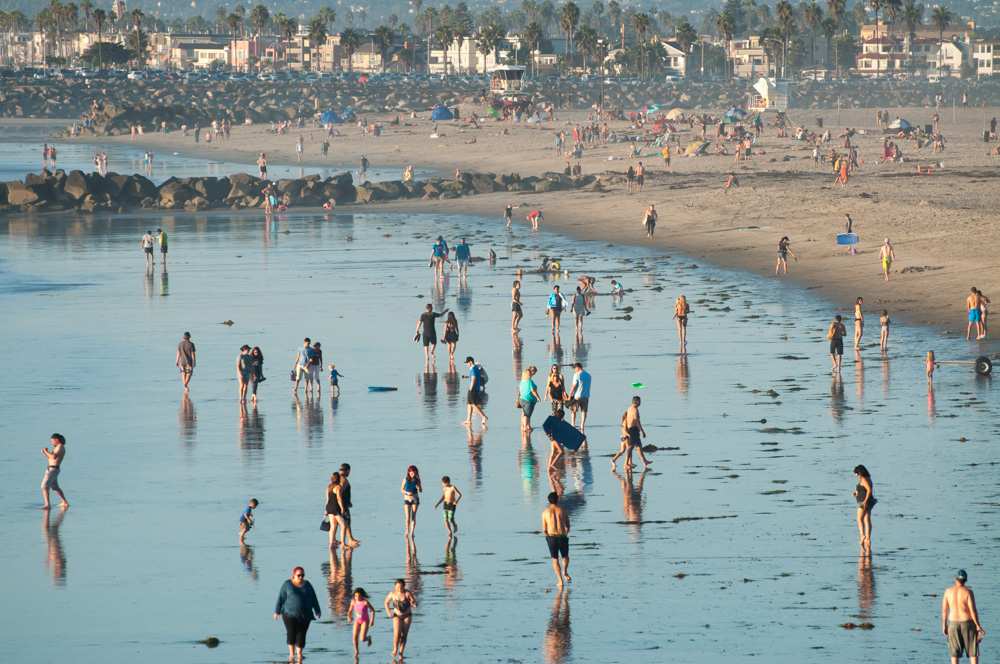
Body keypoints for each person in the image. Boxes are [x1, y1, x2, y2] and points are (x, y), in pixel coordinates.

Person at [273, 566, 321, 663]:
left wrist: (317, 610)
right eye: (299, 575)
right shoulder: (287, 585)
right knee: (291, 632)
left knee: (301, 634)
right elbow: (281, 598)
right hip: (289, 614)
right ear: (293, 576)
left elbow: (313, 598)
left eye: (302, 575)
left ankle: (299, 654)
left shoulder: (307, 585)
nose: (301, 577)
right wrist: (277, 611)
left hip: (305, 615)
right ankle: (291, 654)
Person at [942, 570, 986, 663]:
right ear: (965, 580)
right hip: (967, 623)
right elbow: (973, 611)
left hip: (953, 624)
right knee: (973, 653)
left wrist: (944, 625)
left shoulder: (948, 591)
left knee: (954, 654)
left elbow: (944, 611)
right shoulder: (968, 592)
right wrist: (978, 626)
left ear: (955, 579)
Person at [541, 491, 571, 587]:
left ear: (549, 501)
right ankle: (565, 572)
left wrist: (547, 536)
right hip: (562, 536)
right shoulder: (562, 510)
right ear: (557, 500)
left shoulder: (545, 512)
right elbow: (568, 526)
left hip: (551, 537)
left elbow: (544, 529)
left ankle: (560, 580)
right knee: (565, 556)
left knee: (555, 559)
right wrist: (565, 532)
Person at [384, 579, 417, 660]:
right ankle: (395, 648)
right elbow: (386, 602)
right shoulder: (392, 594)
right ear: (395, 586)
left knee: (404, 635)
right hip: (397, 616)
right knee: (397, 634)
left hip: (407, 616)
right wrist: (388, 612)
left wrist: (413, 603)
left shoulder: (407, 593)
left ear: (404, 586)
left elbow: (413, 601)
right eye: (397, 587)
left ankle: (401, 652)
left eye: (401, 587)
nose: (399, 588)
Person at [40, 433, 69, 509]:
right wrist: (44, 452)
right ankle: (64, 502)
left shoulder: (60, 447)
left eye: (52, 441)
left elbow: (53, 457)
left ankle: (47, 505)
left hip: (53, 470)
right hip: (52, 469)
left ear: (57, 440)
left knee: (44, 486)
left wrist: (46, 451)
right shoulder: (57, 447)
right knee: (55, 487)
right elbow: (50, 458)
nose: (51, 442)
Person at [624, 396, 652, 470]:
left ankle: (644, 461)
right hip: (633, 430)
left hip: (632, 429)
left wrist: (625, 430)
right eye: (640, 401)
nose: (640, 403)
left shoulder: (629, 408)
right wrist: (643, 431)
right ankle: (626, 463)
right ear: (636, 402)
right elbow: (637, 422)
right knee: (630, 447)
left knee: (639, 446)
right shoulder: (635, 410)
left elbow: (626, 420)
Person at [852, 465, 876, 552]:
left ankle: (862, 535)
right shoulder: (867, 478)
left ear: (860, 472)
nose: (856, 475)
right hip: (868, 500)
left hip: (864, 501)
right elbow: (864, 489)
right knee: (866, 519)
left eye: (856, 473)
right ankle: (867, 538)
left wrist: (865, 501)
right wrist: (856, 492)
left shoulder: (864, 479)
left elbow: (869, 490)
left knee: (859, 519)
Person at [348, 588, 375, 657]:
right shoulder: (353, 602)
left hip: (365, 621)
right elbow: (350, 611)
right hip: (357, 620)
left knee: (362, 639)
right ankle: (356, 651)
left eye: (359, 595)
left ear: (362, 595)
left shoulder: (365, 602)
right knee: (354, 637)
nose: (357, 597)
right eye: (356, 596)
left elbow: (372, 611)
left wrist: (372, 620)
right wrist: (349, 617)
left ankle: (368, 638)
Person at [464, 356, 488, 428]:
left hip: (473, 389)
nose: (467, 364)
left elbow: (474, 379)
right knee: (469, 404)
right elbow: (473, 377)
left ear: (470, 362)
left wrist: (470, 389)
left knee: (473, 405)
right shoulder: (474, 368)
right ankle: (468, 420)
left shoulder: (473, 369)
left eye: (467, 363)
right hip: (474, 388)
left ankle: (483, 416)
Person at [568, 363, 591, 431]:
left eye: (575, 368)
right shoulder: (588, 375)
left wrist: (570, 395)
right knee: (584, 411)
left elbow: (574, 386)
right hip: (586, 396)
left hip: (577, 396)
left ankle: (573, 424)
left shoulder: (577, 375)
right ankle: (582, 426)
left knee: (573, 410)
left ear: (578, 367)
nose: (574, 370)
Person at [401, 465, 422, 538]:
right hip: (407, 499)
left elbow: (421, 490)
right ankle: (407, 530)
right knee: (407, 518)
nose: (412, 474)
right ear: (409, 472)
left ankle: (412, 532)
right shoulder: (405, 479)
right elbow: (401, 489)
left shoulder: (417, 480)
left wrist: (418, 488)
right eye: (411, 473)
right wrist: (407, 493)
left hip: (415, 499)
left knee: (413, 516)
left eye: (414, 473)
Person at [519, 366, 542, 432]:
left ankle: (525, 426)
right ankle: (526, 427)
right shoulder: (529, 381)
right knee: (527, 415)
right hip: (528, 400)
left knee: (524, 413)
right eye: (534, 372)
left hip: (522, 399)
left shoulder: (522, 381)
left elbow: (520, 391)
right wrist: (538, 397)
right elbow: (533, 391)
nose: (534, 374)